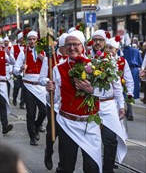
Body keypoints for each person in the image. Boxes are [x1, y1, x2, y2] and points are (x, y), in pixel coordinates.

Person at [46, 30, 102, 173]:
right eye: (68, 45)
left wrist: (91, 90)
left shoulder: (95, 66)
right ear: (64, 48)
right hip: (67, 123)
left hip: (89, 125)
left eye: (75, 44)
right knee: (66, 167)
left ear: (82, 46)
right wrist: (50, 91)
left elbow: (107, 92)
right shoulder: (58, 68)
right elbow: (55, 100)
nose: (72, 48)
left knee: (92, 167)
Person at [91, 29, 127, 173]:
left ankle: (108, 170)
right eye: (95, 40)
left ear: (105, 42)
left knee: (110, 140)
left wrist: (121, 105)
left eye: (101, 40)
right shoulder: (85, 58)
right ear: (92, 42)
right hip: (91, 105)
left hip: (109, 105)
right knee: (92, 142)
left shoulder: (111, 59)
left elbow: (117, 85)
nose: (98, 43)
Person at [39, 33, 68, 171]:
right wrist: (48, 83)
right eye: (66, 46)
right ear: (61, 46)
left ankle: (63, 164)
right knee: (52, 133)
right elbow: (41, 78)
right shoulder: (49, 58)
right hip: (53, 102)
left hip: (68, 104)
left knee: (65, 137)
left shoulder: (76, 60)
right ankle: (48, 152)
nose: (70, 49)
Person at [13, 30, 47, 146]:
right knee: (30, 113)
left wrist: (44, 60)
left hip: (41, 86)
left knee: (44, 111)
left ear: (37, 40)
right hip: (28, 85)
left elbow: (50, 68)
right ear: (27, 41)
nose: (32, 41)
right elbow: (15, 70)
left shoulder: (44, 52)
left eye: (34, 39)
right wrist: (22, 67)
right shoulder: (24, 53)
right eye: (30, 39)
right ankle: (32, 136)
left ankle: (37, 126)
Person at [106, 36, 134, 121]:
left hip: (118, 95)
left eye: (110, 48)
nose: (108, 50)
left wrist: (130, 93)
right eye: (106, 47)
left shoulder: (122, 61)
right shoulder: (102, 60)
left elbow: (129, 79)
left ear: (117, 50)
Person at [118, 32, 142, 119]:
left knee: (125, 90)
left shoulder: (121, 51)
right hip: (134, 70)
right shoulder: (136, 51)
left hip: (124, 70)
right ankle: (129, 112)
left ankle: (127, 111)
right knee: (130, 90)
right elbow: (140, 62)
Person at [0, 38, 14, 134]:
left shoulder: (3, 54)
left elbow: (12, 62)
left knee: (2, 104)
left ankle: (5, 127)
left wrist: (9, 54)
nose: (1, 45)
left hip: (2, 83)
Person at [10, 31, 25, 109]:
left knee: (24, 87)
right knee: (16, 86)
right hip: (16, 71)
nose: (23, 40)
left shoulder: (26, 47)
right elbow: (11, 59)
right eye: (22, 38)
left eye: (23, 38)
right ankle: (14, 98)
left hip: (25, 71)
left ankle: (22, 103)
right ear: (19, 39)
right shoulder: (14, 47)